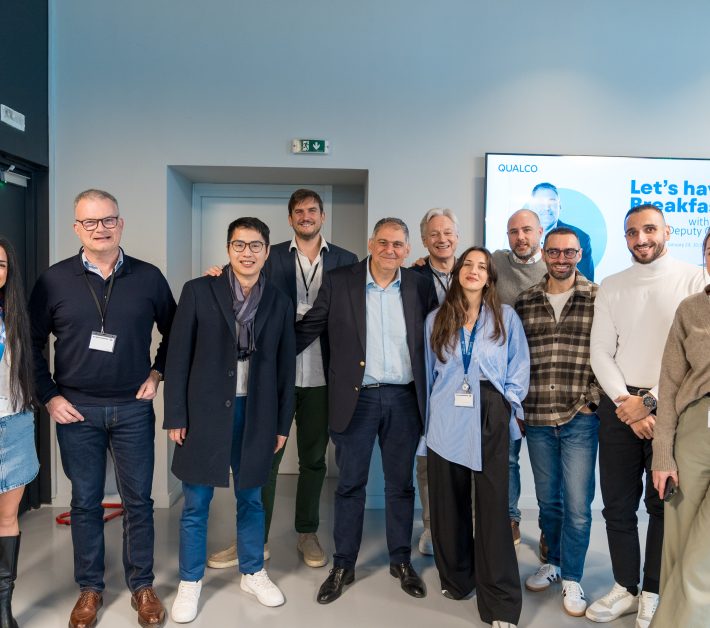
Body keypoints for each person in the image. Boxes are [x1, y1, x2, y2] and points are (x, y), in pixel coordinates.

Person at [29, 189, 176, 628]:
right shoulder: (53, 281)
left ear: (120, 223)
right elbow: (30, 344)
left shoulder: (149, 278)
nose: (100, 229)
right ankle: (90, 588)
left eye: (108, 219)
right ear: (76, 228)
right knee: (85, 502)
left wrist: (157, 373)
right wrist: (49, 396)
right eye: (90, 222)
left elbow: (177, 333)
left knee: (139, 502)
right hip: (76, 410)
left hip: (133, 408)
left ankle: (142, 586)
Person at [207, 189, 357, 571]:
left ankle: (307, 532)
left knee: (314, 459)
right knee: (264, 458)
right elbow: (238, 281)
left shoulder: (346, 260)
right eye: (299, 211)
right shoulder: (269, 255)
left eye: (312, 210)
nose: (306, 216)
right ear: (290, 219)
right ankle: (252, 540)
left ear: (322, 216)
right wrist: (215, 277)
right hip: (273, 373)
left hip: (324, 376)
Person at [296, 218, 437, 604]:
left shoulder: (420, 286)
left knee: (400, 486)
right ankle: (343, 564)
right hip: (356, 400)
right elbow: (309, 328)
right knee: (349, 485)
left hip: (405, 400)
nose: (390, 250)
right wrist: (264, 350)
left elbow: (439, 335)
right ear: (371, 243)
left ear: (407, 251)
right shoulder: (340, 281)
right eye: (384, 242)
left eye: (398, 245)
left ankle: (401, 561)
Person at [165, 217, 295, 621]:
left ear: (267, 252)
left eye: (255, 246)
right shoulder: (198, 291)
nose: (247, 253)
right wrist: (176, 414)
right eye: (239, 245)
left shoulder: (278, 301)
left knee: (252, 498)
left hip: (256, 412)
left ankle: (252, 571)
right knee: (196, 502)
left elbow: (285, 368)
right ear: (228, 250)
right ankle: (190, 580)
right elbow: (177, 356)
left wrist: (281, 424)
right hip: (204, 413)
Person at [588, 204, 705, 627]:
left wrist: (651, 402)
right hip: (619, 406)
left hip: (670, 407)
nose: (641, 239)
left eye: (650, 229)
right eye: (633, 232)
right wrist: (627, 404)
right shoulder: (612, 285)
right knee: (617, 505)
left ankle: (653, 591)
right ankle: (625, 586)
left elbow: (693, 359)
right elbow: (600, 351)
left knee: (662, 504)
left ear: (667, 231)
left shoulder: (695, 278)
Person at [423, 246, 528, 628]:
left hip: (489, 411)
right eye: (467, 264)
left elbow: (519, 366)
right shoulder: (436, 319)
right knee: (447, 503)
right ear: (457, 273)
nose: (473, 270)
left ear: (489, 278)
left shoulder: (506, 317)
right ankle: (457, 579)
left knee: (493, 508)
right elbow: (428, 372)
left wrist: (509, 407)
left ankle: (500, 602)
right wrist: (427, 426)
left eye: (482, 266)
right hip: (446, 414)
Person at [515, 227, 601, 618]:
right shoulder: (526, 300)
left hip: (578, 415)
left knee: (578, 505)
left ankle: (573, 577)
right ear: (544, 254)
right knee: (549, 500)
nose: (561, 259)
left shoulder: (598, 297)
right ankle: (553, 561)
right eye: (554, 252)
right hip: (537, 415)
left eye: (569, 252)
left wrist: (592, 401)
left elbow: (609, 351)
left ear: (579, 254)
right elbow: (517, 355)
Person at [650, 228, 710, 626]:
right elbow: (670, 384)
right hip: (695, 429)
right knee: (678, 540)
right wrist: (663, 455)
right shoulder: (690, 309)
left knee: (703, 552)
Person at [491, 209, 547, 550]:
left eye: (527, 230)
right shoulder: (496, 262)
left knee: (545, 464)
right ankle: (509, 518)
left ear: (540, 232)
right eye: (514, 231)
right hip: (506, 381)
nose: (520, 237)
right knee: (507, 459)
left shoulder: (556, 265)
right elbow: (462, 267)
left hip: (544, 382)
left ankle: (548, 527)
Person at [410, 207, 460, 555]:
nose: (441, 239)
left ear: (457, 236)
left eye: (447, 233)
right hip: (427, 379)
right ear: (424, 240)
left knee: (466, 458)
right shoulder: (413, 277)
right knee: (427, 458)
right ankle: (430, 526)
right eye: (434, 234)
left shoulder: (474, 270)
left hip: (467, 380)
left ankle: (462, 525)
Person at [0, 238, 39, 628]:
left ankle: (2, 607)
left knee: (8, 518)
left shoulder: (13, 314)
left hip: (14, 425)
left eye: (0, 264)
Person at [529, 182, 594, 281]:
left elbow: (587, 282)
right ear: (531, 207)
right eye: (541, 203)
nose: (546, 208)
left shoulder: (581, 238)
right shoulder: (521, 236)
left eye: (552, 202)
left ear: (560, 205)